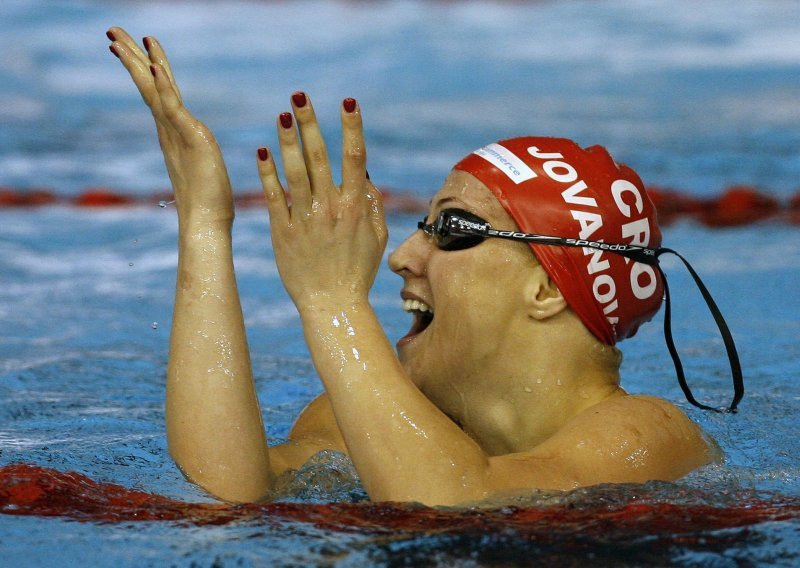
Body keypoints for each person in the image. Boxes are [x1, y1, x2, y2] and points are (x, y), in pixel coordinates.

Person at [107, 27, 742, 506]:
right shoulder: (370, 416)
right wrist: (203, 227)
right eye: (422, 227)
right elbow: (226, 500)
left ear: (549, 286)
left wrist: (333, 302)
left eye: (452, 229)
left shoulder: (647, 437)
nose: (402, 257)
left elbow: (455, 502)